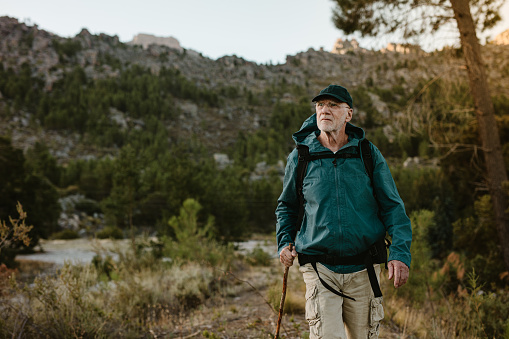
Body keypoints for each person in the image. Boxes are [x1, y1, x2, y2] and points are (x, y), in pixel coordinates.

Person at [276, 84, 412, 339]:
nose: (325, 110)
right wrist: (284, 242)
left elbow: (393, 207)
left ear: (348, 114)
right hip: (319, 268)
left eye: (333, 105)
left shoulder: (367, 154)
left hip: (364, 270)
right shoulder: (301, 157)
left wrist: (400, 253)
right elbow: (287, 206)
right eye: (320, 105)